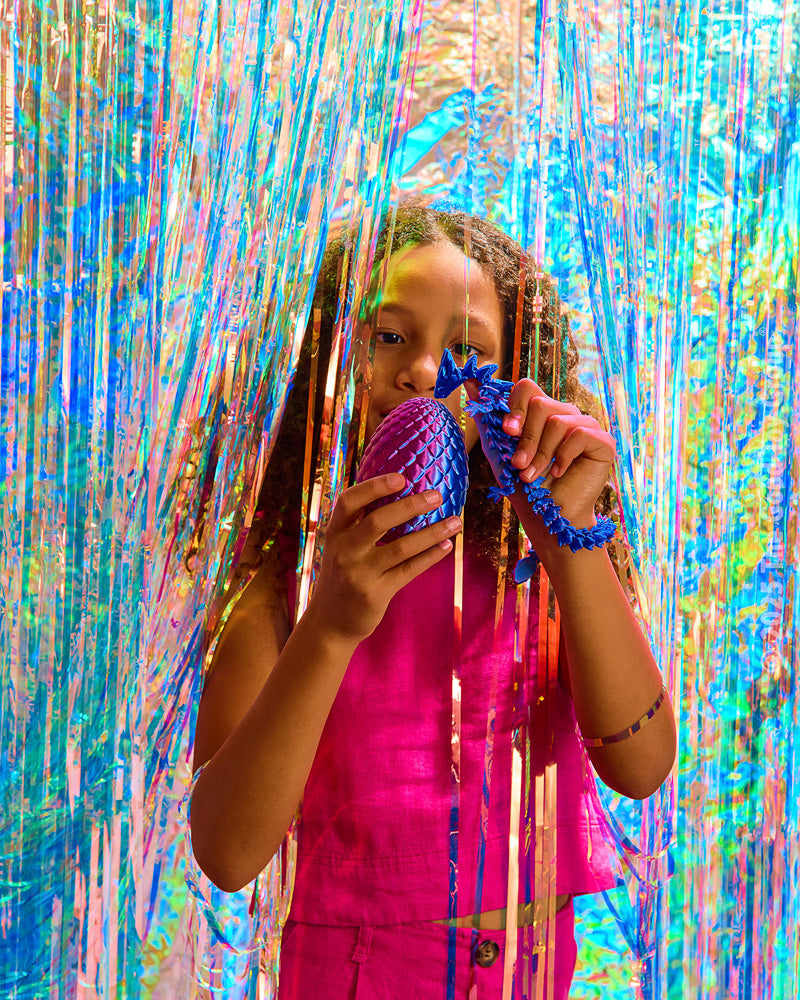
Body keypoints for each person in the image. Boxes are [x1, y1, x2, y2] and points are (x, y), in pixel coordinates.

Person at [189, 203, 677, 999]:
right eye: (389, 336)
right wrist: (332, 629)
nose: (421, 371)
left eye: (464, 350)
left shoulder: (541, 575)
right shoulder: (287, 597)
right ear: (326, 364)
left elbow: (644, 766)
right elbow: (228, 853)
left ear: (517, 383)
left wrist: (570, 541)